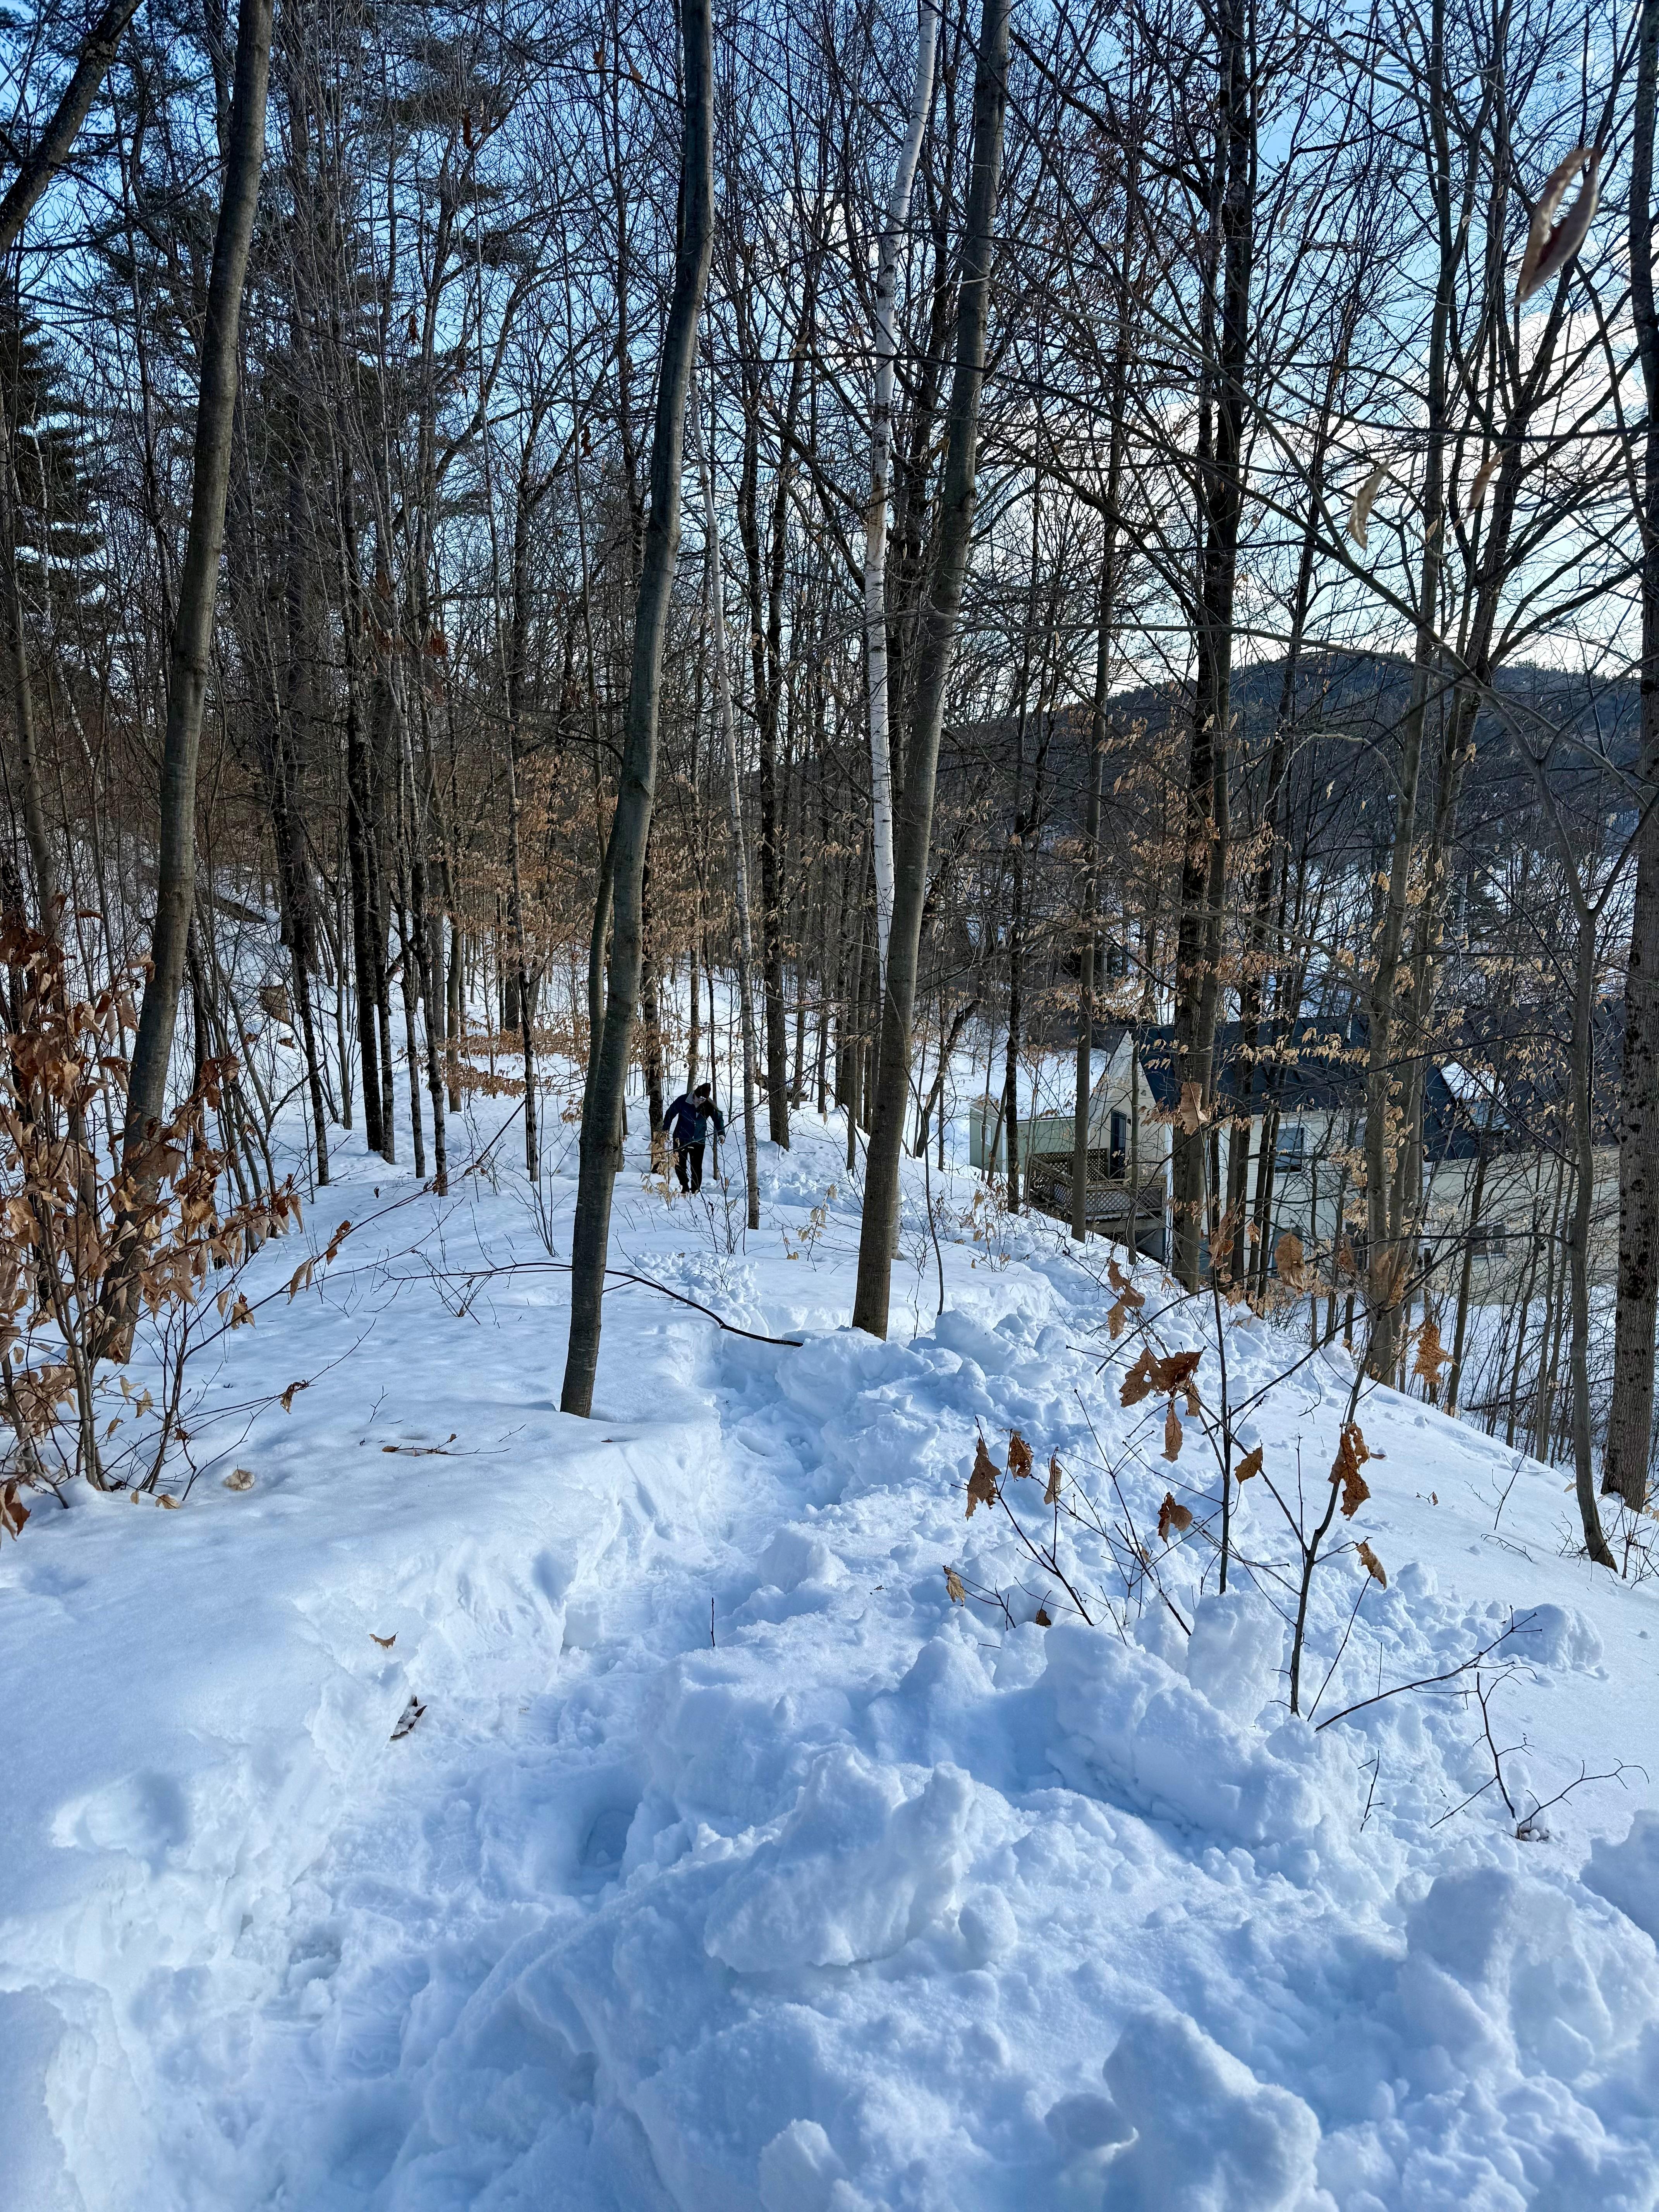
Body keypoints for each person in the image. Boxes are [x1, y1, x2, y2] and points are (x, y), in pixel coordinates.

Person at [663, 1082, 725, 1193]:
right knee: (679, 1165)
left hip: (699, 1140)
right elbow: (670, 1113)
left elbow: (718, 1118)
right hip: (680, 1138)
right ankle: (685, 1187)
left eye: (704, 1100)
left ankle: (696, 1190)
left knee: (697, 1168)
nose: (701, 1101)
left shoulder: (708, 1104)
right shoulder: (683, 1100)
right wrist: (666, 1128)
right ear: (695, 1095)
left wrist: (721, 1133)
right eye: (699, 1099)